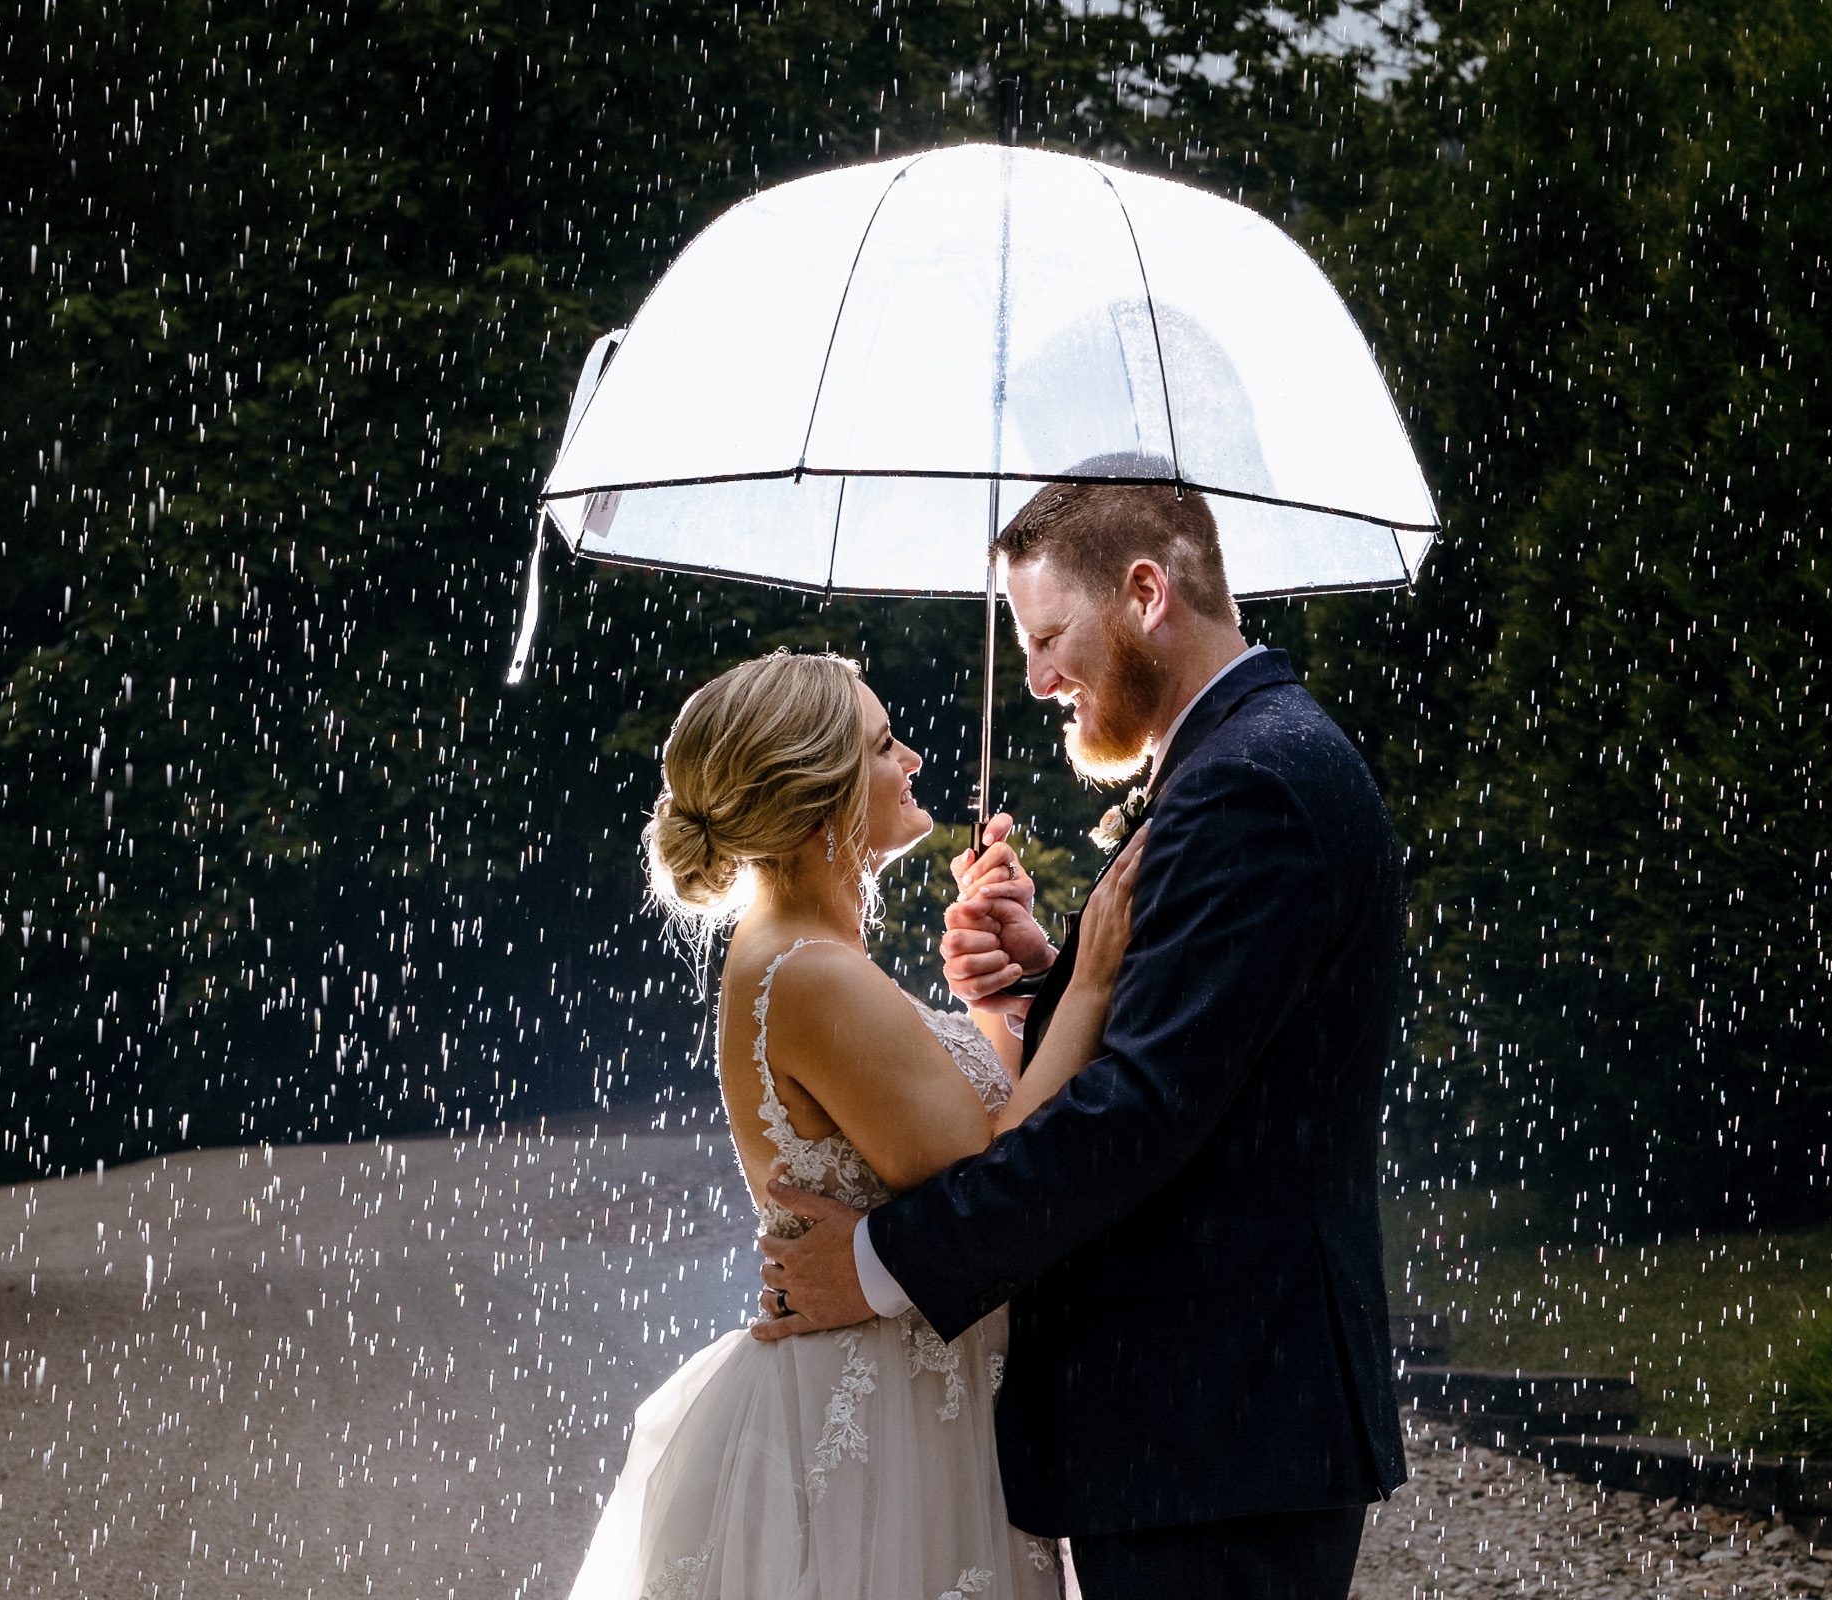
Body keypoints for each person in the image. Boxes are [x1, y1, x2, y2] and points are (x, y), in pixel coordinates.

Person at [754, 482, 1408, 1600]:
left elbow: (1135, 1118)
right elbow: (1206, 1048)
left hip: (1216, 1426)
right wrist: (1054, 985)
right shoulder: (1246, 756)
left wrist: (874, 1266)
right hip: (1218, 1424)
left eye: (1050, 635)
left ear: (1146, 593)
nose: (1043, 675)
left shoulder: (1248, 783)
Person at [565, 649, 1146, 1600]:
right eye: (883, 745)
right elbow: (1002, 1175)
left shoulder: (812, 957)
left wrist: (1005, 993)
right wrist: (1089, 983)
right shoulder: (810, 972)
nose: (912, 758)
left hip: (915, 1394)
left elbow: (975, 1124)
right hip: (883, 1434)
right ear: (814, 795)